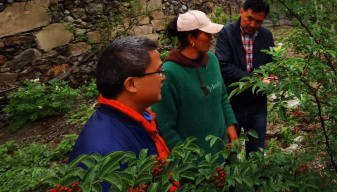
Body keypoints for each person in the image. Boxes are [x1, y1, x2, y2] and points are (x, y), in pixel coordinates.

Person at [70, 36, 169, 165]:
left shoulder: (137, 118)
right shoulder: (109, 155)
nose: (163, 77)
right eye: (158, 71)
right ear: (132, 84)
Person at [152, 10, 238, 157]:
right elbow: (164, 125)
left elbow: (222, 96)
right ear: (191, 37)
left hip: (221, 149)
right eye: (207, 34)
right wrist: (187, 161)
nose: (211, 38)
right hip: (195, 163)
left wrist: (230, 125)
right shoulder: (170, 73)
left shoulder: (211, 60)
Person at [215, 0, 276, 156]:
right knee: (228, 153)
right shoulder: (226, 34)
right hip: (232, 105)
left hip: (257, 105)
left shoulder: (266, 36)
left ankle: (253, 181)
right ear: (241, 12)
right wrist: (255, 80)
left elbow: (272, 63)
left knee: (256, 154)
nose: (253, 24)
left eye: (258, 22)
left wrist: (273, 76)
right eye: (250, 18)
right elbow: (224, 66)